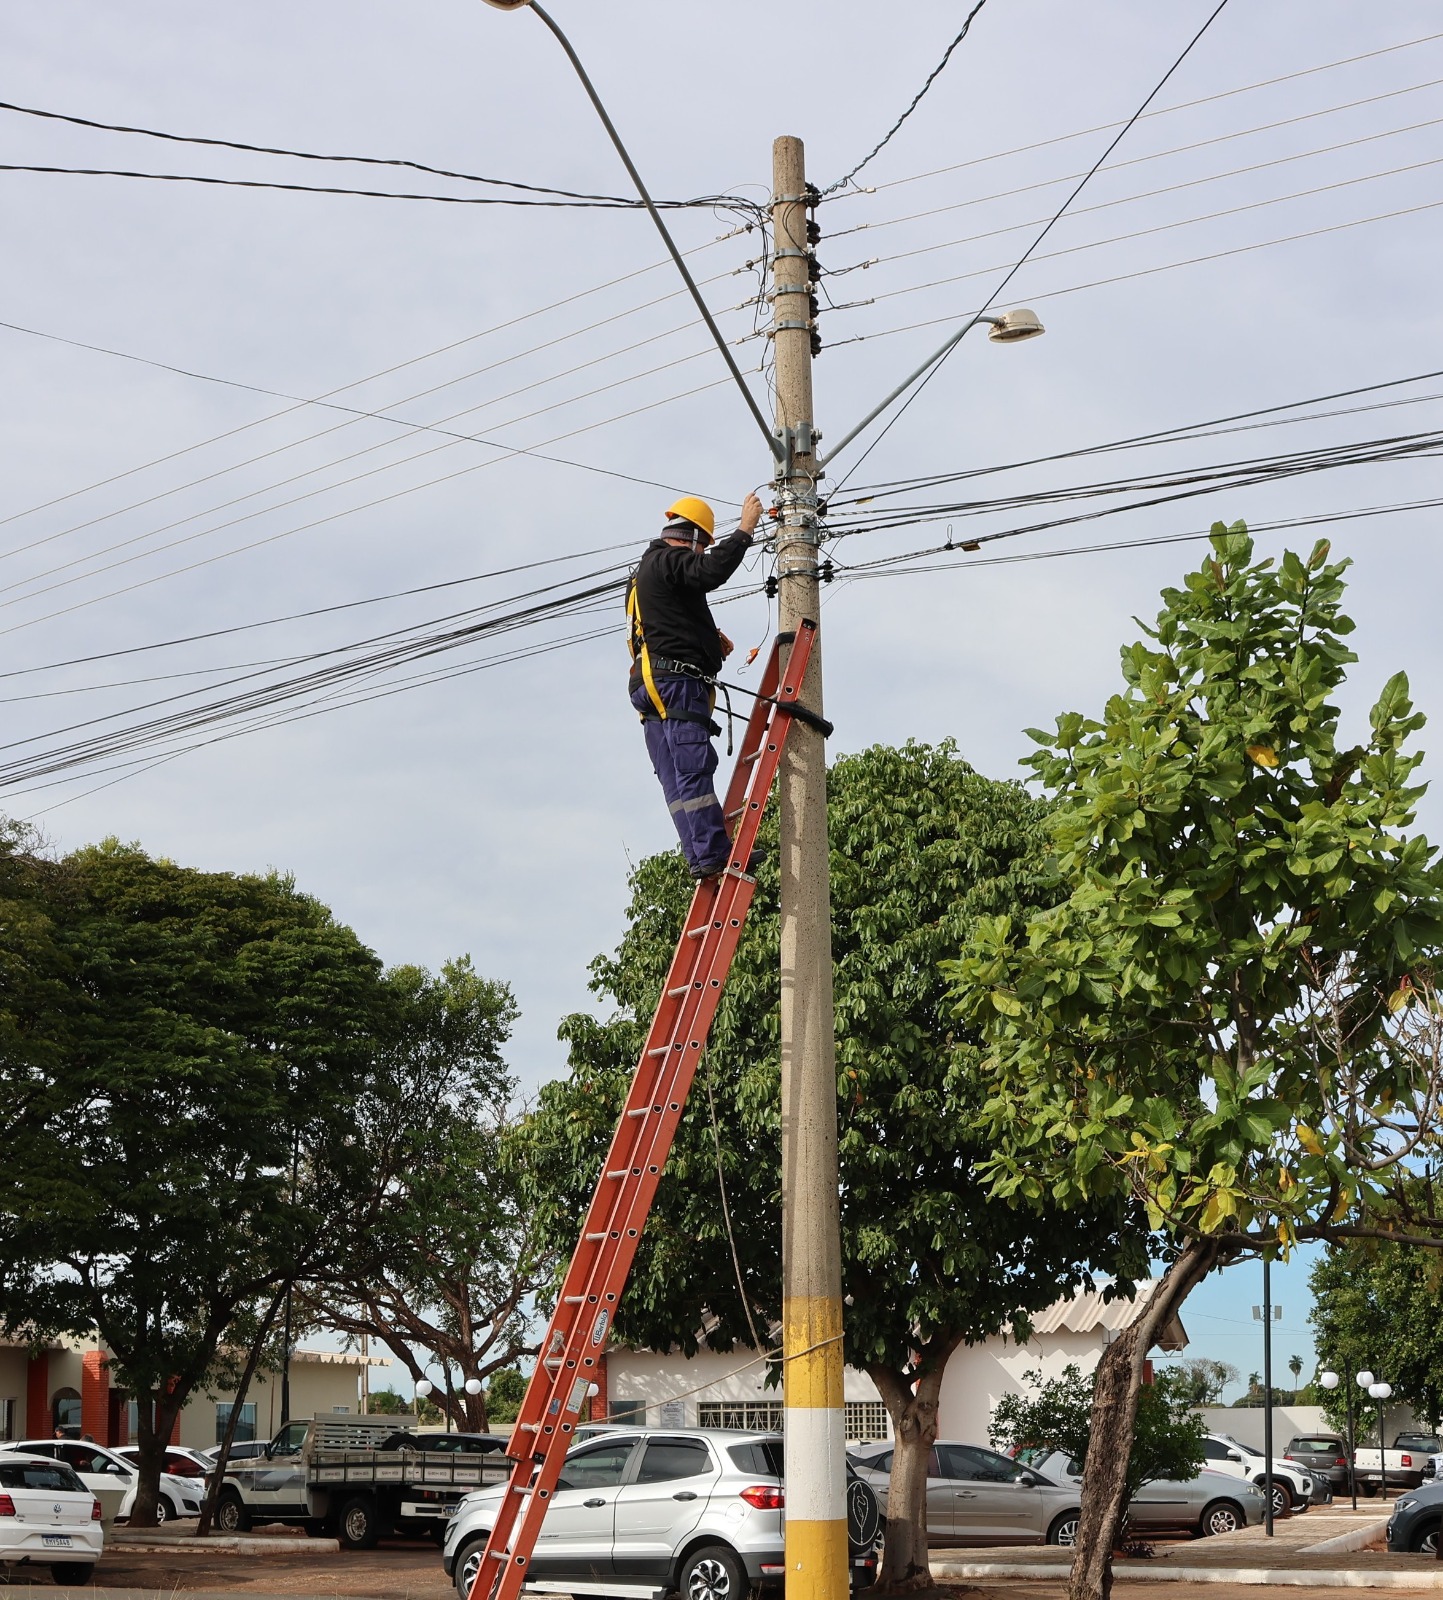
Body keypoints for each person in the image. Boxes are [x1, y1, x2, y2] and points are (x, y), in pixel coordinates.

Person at [627, 490, 763, 879]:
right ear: (688, 537)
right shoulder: (669, 559)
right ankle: (712, 855)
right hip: (675, 684)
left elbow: (665, 618)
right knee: (692, 770)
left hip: (649, 686)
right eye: (702, 545)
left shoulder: (645, 575)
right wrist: (745, 530)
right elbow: (708, 573)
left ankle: (700, 855)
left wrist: (707, 637)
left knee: (675, 778)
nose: (702, 553)